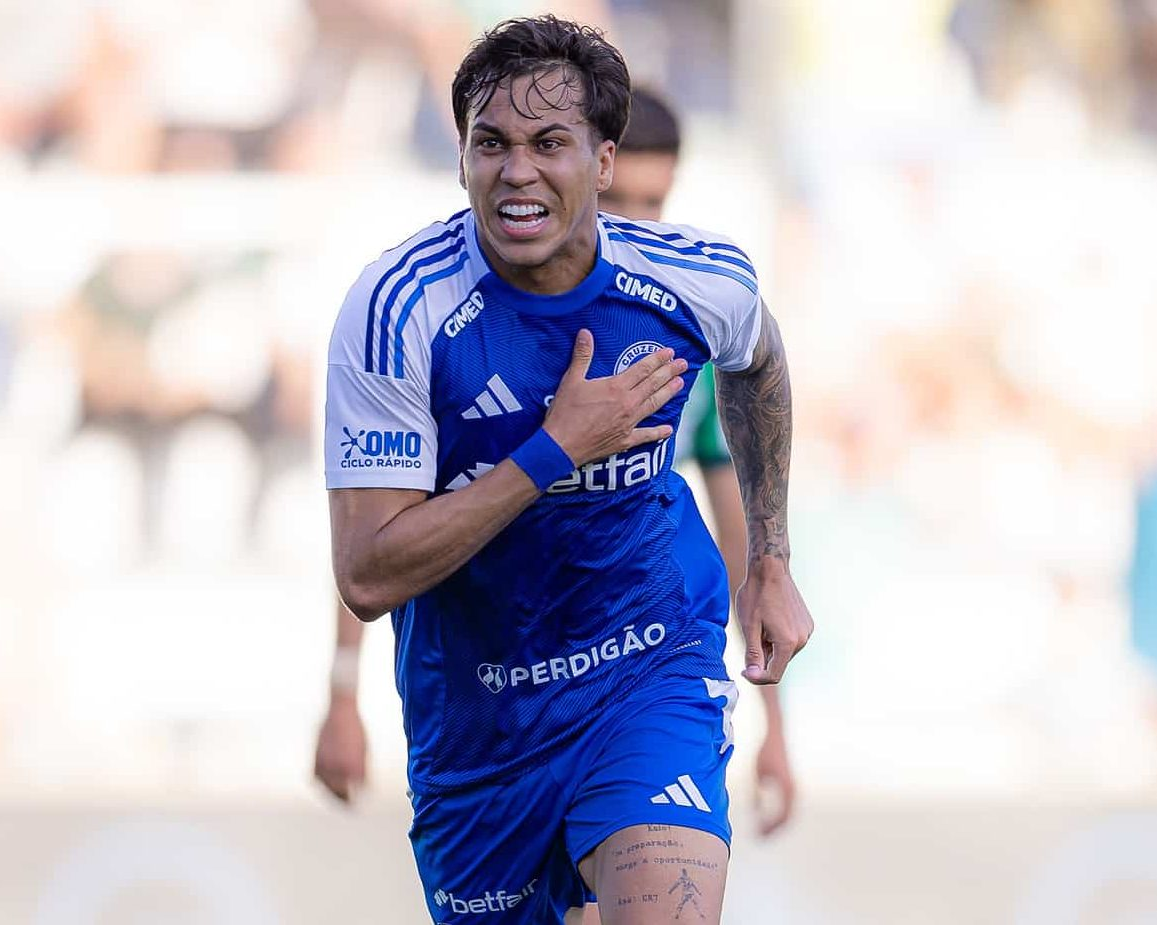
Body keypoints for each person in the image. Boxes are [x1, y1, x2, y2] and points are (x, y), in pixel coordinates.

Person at [323, 16, 811, 925]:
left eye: (548, 143)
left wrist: (771, 559)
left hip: (646, 668)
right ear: (460, 158)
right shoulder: (396, 311)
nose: (517, 170)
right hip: (482, 723)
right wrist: (554, 451)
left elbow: (760, 361)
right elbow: (366, 573)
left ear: (602, 160)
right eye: (490, 144)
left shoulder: (694, 278)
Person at [601, 85, 797, 837]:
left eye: (654, 202)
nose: (635, 225)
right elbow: (380, 513)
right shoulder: (495, 326)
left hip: (651, 661)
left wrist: (775, 726)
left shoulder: (695, 338)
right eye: (616, 201)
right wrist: (344, 686)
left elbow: (744, 541)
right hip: (515, 682)